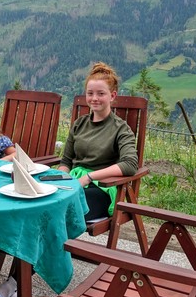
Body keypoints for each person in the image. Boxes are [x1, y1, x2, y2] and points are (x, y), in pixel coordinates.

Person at [57, 62, 139, 221]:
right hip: (74, 183)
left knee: (61, 212)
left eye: (101, 93)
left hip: (102, 188)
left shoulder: (120, 129)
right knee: (40, 203)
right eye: (90, 93)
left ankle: (57, 246)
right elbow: (66, 161)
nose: (94, 98)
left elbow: (130, 164)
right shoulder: (79, 124)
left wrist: (90, 177)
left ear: (112, 96)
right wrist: (59, 180)